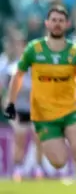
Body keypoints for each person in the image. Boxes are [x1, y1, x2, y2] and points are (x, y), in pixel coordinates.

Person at [3, 5, 76, 194]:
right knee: (59, 162)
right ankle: (56, 141)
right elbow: (18, 76)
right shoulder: (34, 50)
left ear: (67, 24)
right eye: (53, 20)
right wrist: (10, 102)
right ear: (47, 23)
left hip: (70, 110)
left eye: (61, 20)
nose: (57, 24)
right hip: (44, 115)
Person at [1, 34, 45, 181]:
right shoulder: (12, 68)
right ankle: (18, 168)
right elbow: (6, 91)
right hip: (18, 108)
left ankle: (38, 167)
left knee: (38, 137)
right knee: (19, 137)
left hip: (33, 108)